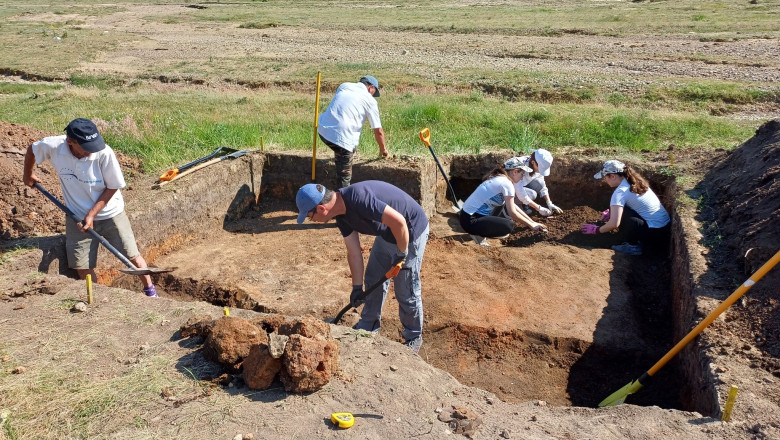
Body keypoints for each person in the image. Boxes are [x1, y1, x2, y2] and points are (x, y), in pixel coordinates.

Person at [22, 118, 159, 297]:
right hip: (76, 216)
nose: (92, 150)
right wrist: (28, 174)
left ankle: (150, 292)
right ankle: (98, 299)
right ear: (70, 141)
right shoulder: (54, 147)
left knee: (132, 256)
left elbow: (112, 187)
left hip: (111, 213)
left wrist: (92, 214)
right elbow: (32, 150)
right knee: (82, 265)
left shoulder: (104, 153)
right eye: (87, 146)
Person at [296, 181, 429, 353]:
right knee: (373, 277)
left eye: (310, 216)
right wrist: (356, 287)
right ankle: (368, 325)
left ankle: (413, 337)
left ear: (321, 209)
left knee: (406, 288)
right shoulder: (342, 217)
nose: (312, 220)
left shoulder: (359, 198)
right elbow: (354, 252)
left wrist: (402, 254)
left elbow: (400, 222)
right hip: (387, 233)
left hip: (409, 232)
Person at [580, 159, 671, 256]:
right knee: (618, 209)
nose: (604, 180)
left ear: (612, 176)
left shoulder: (620, 192)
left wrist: (597, 230)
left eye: (605, 177)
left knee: (621, 213)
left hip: (653, 236)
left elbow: (614, 224)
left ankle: (633, 246)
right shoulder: (636, 182)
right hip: (664, 231)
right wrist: (612, 212)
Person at [318, 75, 388, 188]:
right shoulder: (370, 101)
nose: (373, 96)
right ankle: (342, 200)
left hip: (323, 130)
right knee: (344, 178)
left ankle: (343, 153)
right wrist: (383, 150)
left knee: (341, 143)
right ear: (370, 87)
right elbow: (378, 130)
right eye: (373, 92)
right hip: (341, 139)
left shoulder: (344, 86)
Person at [459, 157, 547, 246]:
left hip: (466, 216)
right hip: (470, 221)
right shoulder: (507, 184)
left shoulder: (500, 178)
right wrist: (531, 225)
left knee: (502, 206)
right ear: (515, 171)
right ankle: (478, 234)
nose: (522, 178)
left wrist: (532, 222)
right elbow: (512, 213)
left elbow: (513, 206)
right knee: (508, 226)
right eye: (522, 174)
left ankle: (478, 231)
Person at [513, 148, 563, 217]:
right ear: (533, 162)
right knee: (532, 194)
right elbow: (520, 193)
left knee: (540, 183)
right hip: (508, 191)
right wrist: (539, 208)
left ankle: (525, 204)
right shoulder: (519, 167)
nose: (540, 171)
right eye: (541, 168)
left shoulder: (535, 164)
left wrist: (549, 203)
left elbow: (542, 185)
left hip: (522, 185)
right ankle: (515, 206)